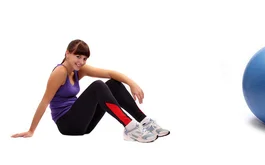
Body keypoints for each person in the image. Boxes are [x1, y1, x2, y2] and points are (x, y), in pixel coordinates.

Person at [11, 39, 170, 143]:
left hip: (84, 125)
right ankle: (130, 127)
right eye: (78, 56)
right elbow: (45, 101)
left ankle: (145, 122)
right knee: (98, 86)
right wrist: (31, 130)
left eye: (85, 59)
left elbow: (110, 73)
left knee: (113, 84)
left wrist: (131, 82)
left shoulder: (78, 69)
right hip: (67, 124)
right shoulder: (59, 72)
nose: (81, 62)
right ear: (67, 53)